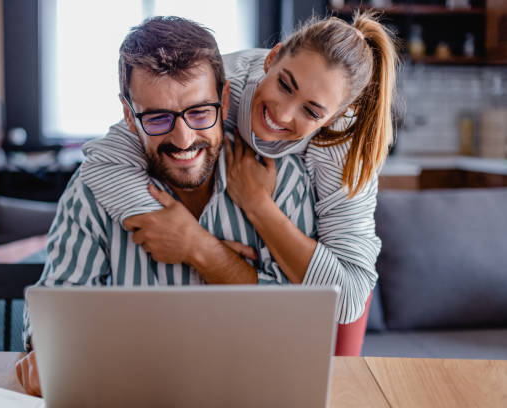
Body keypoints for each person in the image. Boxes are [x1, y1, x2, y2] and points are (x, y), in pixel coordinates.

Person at [17, 16, 317, 396]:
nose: (183, 138)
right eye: (157, 117)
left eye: (199, 112)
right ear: (129, 115)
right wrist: (46, 350)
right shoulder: (92, 191)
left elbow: (299, 327)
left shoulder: (284, 181)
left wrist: (202, 249)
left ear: (224, 101)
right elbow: (54, 305)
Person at [81, 10, 398, 340]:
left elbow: (347, 298)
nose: (282, 113)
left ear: (335, 116)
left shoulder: (341, 146)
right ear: (272, 59)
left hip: (315, 310)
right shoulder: (219, 82)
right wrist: (190, 237)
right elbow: (103, 160)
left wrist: (257, 205)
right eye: (285, 85)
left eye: (311, 111)